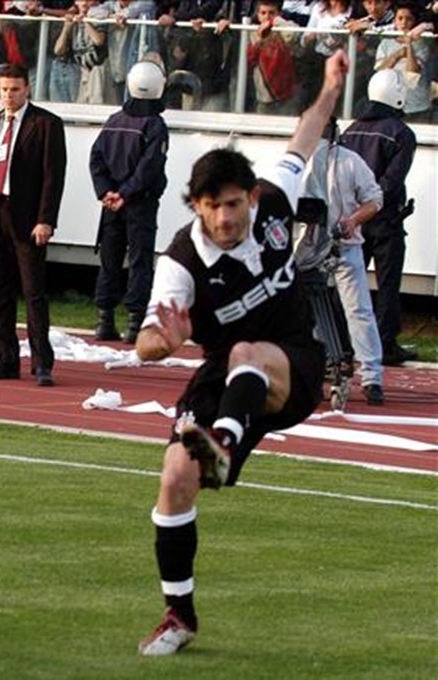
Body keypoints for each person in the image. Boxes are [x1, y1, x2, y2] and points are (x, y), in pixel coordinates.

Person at [135, 50, 349, 656]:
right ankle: (179, 615)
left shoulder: (274, 204)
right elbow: (147, 341)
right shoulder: (180, 264)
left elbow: (303, 138)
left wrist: (332, 86)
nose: (226, 217)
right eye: (213, 207)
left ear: (249, 196)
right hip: (225, 375)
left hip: (291, 366)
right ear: (196, 207)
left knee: (250, 350)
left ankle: (224, 444)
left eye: (234, 203)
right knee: (177, 475)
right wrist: (164, 342)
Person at [0, 64, 67, 387]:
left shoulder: (46, 124)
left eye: (14, 89)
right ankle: (5, 359)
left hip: (27, 217)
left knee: (33, 292)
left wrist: (46, 219)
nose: (9, 95)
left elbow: (54, 176)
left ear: (27, 88)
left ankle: (42, 363)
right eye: (3, 90)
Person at [300, 118, 385, 404]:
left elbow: (374, 199)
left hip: (344, 245)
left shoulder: (350, 162)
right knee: (310, 310)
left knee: (358, 310)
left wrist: (352, 221)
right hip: (309, 249)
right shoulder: (297, 162)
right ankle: (323, 362)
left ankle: (372, 375)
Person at [339, 68, 418, 366]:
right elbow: (391, 181)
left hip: (352, 218)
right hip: (385, 220)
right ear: (397, 96)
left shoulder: (351, 130)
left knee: (349, 282)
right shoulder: (401, 134)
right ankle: (385, 343)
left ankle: (342, 342)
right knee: (387, 284)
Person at [88, 59, 169, 344]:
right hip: (139, 203)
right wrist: (125, 193)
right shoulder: (155, 125)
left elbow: (95, 158)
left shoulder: (114, 121)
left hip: (111, 205)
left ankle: (104, 319)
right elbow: (149, 168)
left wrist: (106, 192)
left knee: (109, 260)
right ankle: (135, 322)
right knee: (139, 260)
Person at [374, 2, 432, 121]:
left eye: (408, 19)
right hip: (390, 104)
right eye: (400, 18)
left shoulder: (422, 43)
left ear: (414, 21)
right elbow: (380, 72)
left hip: (416, 105)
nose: (404, 23)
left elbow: (413, 73)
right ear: (395, 20)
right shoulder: (385, 43)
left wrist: (409, 44)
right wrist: (398, 55)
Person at [246, 0, 301, 115]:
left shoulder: (286, 27)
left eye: (272, 13)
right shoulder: (252, 33)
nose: (267, 17)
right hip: (264, 95)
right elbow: (249, 59)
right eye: (263, 13)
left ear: (279, 14)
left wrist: (278, 22)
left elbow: (294, 36)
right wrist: (260, 39)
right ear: (258, 15)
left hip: (288, 94)